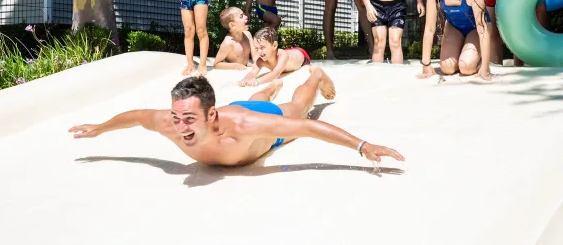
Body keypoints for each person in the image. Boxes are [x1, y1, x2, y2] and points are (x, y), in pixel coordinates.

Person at [69, 67, 405, 166]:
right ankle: (269, 86)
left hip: (256, 122)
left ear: (209, 113)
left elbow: (307, 127)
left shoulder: (245, 128)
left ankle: (314, 77)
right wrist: (99, 129)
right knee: (253, 98)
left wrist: (362, 145)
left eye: (189, 119)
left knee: (297, 107)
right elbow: (137, 116)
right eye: (177, 117)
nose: (180, 126)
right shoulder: (172, 122)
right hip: (237, 110)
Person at [417, 0, 492, 81]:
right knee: (447, 68)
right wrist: (426, 65)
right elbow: (429, 29)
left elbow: (482, 29)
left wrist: (485, 67)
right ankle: (463, 53)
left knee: (466, 67)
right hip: (454, 27)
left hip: (475, 29)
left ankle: (474, 60)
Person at [238, 27, 311, 87]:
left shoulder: (283, 55)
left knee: (285, 52)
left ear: (274, 45)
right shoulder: (261, 61)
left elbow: (275, 74)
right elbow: (252, 73)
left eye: (262, 47)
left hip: (302, 56)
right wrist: (244, 80)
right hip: (285, 52)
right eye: (256, 48)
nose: (259, 52)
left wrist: (258, 81)